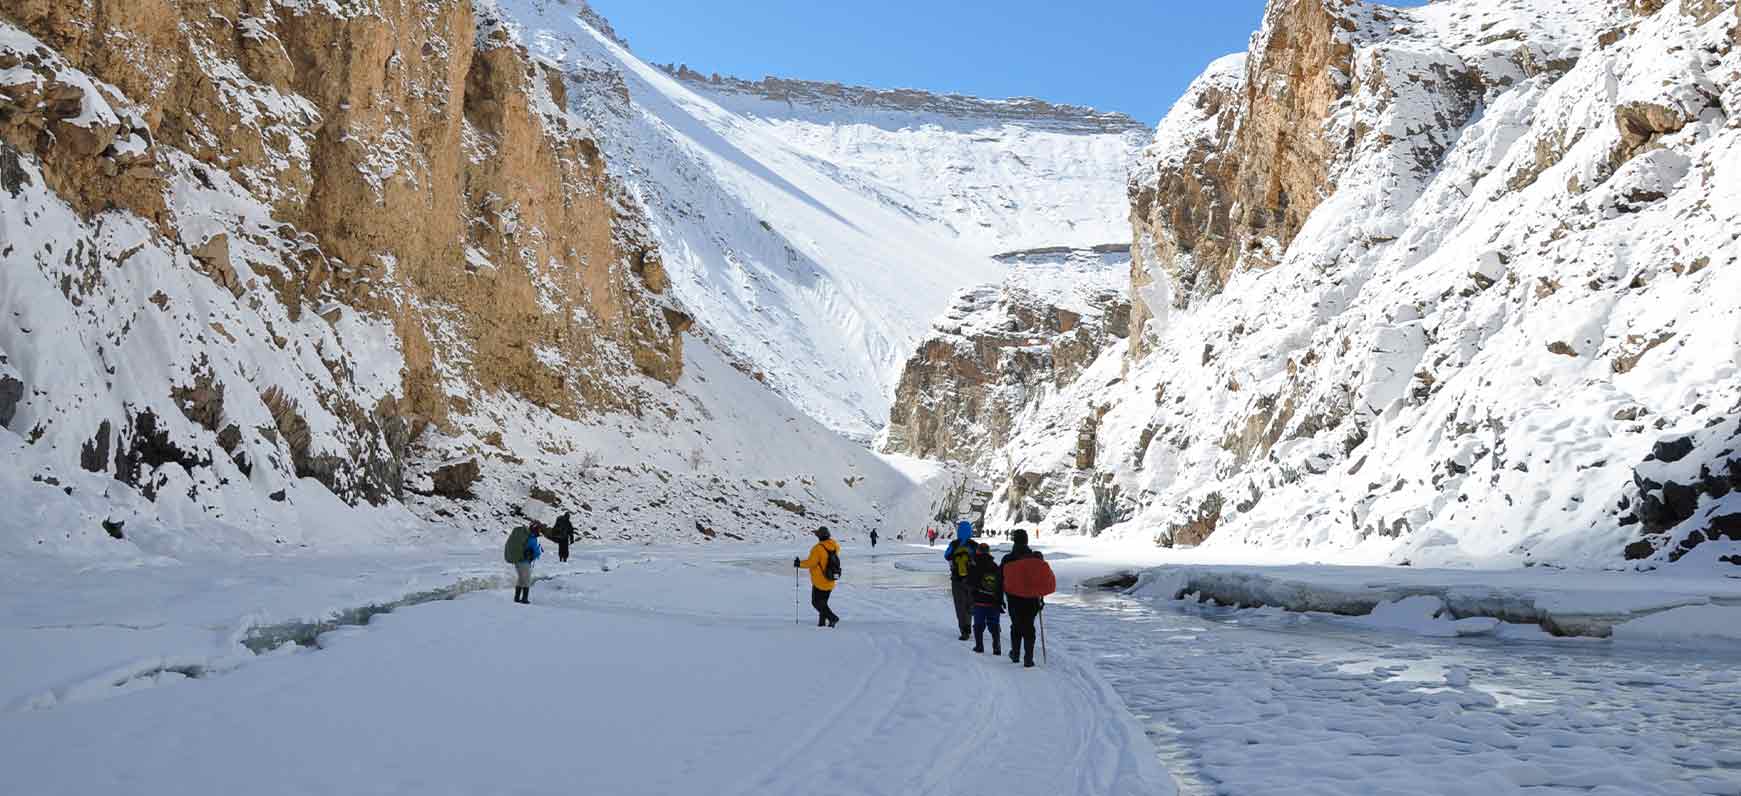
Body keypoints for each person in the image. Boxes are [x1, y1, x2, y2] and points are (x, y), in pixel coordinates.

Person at [1001, 529, 1047, 667]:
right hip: (1032, 598)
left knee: (1016, 626)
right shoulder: (1035, 557)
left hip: (1013, 599)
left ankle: (1015, 654)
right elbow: (1041, 579)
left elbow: (1000, 579)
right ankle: (1028, 658)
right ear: (1027, 540)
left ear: (1014, 541)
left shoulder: (1008, 558)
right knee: (1029, 626)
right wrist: (1042, 598)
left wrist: (999, 598)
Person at [794, 526, 841, 627]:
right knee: (823, 603)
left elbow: (811, 563)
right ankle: (822, 623)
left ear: (819, 536)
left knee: (816, 603)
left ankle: (833, 618)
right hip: (831, 579)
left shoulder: (817, 549)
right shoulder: (835, 546)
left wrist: (799, 564)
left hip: (820, 581)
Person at [969, 542, 1003, 655]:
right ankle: (997, 646)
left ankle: (979, 646)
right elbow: (1001, 584)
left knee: (978, 623)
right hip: (993, 601)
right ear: (988, 552)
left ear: (978, 551)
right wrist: (1000, 600)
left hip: (979, 600)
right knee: (994, 623)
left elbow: (969, 582)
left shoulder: (974, 565)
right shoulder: (995, 566)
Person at [943, 521, 975, 640]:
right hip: (971, 580)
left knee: (960, 604)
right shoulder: (973, 545)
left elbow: (946, 556)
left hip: (957, 579)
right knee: (969, 603)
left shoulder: (954, 544)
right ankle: (969, 623)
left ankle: (964, 630)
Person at [504, 522, 542, 604]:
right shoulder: (531, 538)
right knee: (526, 579)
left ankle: (517, 598)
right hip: (524, 561)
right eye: (538, 529)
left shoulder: (525, 536)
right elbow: (535, 551)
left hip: (518, 560)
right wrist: (538, 552)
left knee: (521, 578)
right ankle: (524, 599)